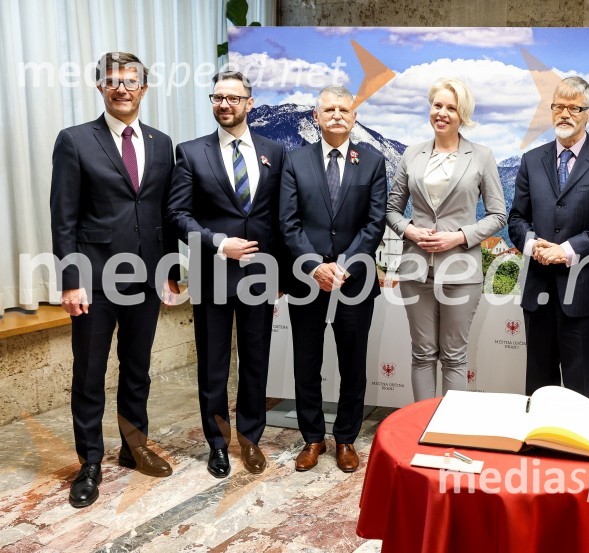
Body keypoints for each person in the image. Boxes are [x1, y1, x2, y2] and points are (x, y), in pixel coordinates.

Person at [50, 51, 178, 508]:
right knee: (89, 373)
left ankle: (132, 445)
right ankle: (89, 462)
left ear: (145, 88)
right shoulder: (75, 140)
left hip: (145, 278)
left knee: (137, 369)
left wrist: (170, 272)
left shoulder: (162, 144)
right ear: (100, 87)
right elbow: (63, 217)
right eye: (112, 81)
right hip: (94, 280)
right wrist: (70, 279)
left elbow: (166, 214)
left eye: (130, 81)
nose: (121, 88)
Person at [167, 71, 287, 478]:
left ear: (249, 103)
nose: (224, 105)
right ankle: (217, 444)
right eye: (217, 98)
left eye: (233, 98)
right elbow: (178, 215)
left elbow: (280, 218)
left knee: (256, 362)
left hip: (260, 275)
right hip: (212, 274)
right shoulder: (191, 152)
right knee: (213, 366)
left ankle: (250, 438)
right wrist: (219, 243)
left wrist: (283, 275)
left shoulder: (275, 151)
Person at [280, 85, 387, 473]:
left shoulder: (372, 161)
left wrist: (342, 266)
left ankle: (345, 438)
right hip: (307, 279)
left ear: (354, 117)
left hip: (354, 281)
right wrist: (314, 266)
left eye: (344, 109)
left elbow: (374, 224)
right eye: (329, 109)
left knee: (352, 362)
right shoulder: (295, 161)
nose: (337, 115)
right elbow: (287, 224)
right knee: (306, 361)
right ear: (316, 117)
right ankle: (312, 438)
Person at [508, 76, 589, 399]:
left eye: (573, 108)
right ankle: (536, 445)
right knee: (537, 384)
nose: (564, 114)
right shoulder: (531, 160)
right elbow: (517, 219)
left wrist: (566, 250)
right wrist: (534, 246)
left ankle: (575, 449)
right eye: (558, 107)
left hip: (583, 290)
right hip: (538, 289)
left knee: (578, 387)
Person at [386, 78, 506, 401]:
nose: (442, 113)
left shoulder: (481, 156)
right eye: (437, 105)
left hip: (461, 271)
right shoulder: (412, 155)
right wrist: (409, 230)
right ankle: (422, 427)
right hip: (415, 271)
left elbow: (498, 215)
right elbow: (391, 210)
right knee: (423, 354)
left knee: (454, 356)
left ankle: (450, 432)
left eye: (451, 108)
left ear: (462, 114)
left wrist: (459, 237)